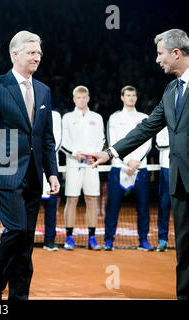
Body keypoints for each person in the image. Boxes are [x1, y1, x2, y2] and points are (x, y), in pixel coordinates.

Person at [86, 29, 188, 300]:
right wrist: (110, 152)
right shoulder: (171, 90)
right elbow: (148, 127)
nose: (157, 60)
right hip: (179, 180)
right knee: (185, 249)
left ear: (176, 53)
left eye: (160, 53)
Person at [0, 31, 60, 300]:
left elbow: (46, 137)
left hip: (34, 176)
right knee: (17, 230)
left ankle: (19, 296)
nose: (37, 57)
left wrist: (52, 173)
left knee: (26, 240)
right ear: (15, 54)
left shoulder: (44, 90)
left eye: (39, 53)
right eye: (31, 52)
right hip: (5, 173)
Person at [103, 86, 153, 251]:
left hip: (140, 167)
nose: (131, 98)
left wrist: (136, 161)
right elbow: (113, 142)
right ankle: (109, 240)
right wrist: (127, 161)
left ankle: (144, 240)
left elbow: (148, 143)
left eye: (133, 95)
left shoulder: (144, 117)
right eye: (128, 95)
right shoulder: (114, 118)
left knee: (143, 206)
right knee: (113, 206)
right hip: (119, 167)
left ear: (136, 98)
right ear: (122, 97)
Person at [60, 86, 105, 251]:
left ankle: (92, 237)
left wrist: (94, 154)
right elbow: (63, 141)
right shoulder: (67, 117)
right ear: (74, 99)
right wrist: (76, 153)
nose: (81, 100)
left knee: (92, 199)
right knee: (71, 200)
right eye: (78, 98)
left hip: (92, 163)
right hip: (73, 163)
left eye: (84, 97)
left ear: (88, 98)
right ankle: (69, 237)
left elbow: (101, 139)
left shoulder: (97, 117)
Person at [41, 109, 62, 251]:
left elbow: (56, 141)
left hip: (50, 168)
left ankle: (49, 240)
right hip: (30, 168)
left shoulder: (56, 116)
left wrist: (46, 160)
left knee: (50, 207)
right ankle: (24, 241)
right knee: (27, 208)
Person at [155, 127, 171, 252]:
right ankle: (162, 240)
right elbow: (159, 144)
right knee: (164, 205)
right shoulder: (164, 120)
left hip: (185, 165)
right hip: (167, 167)